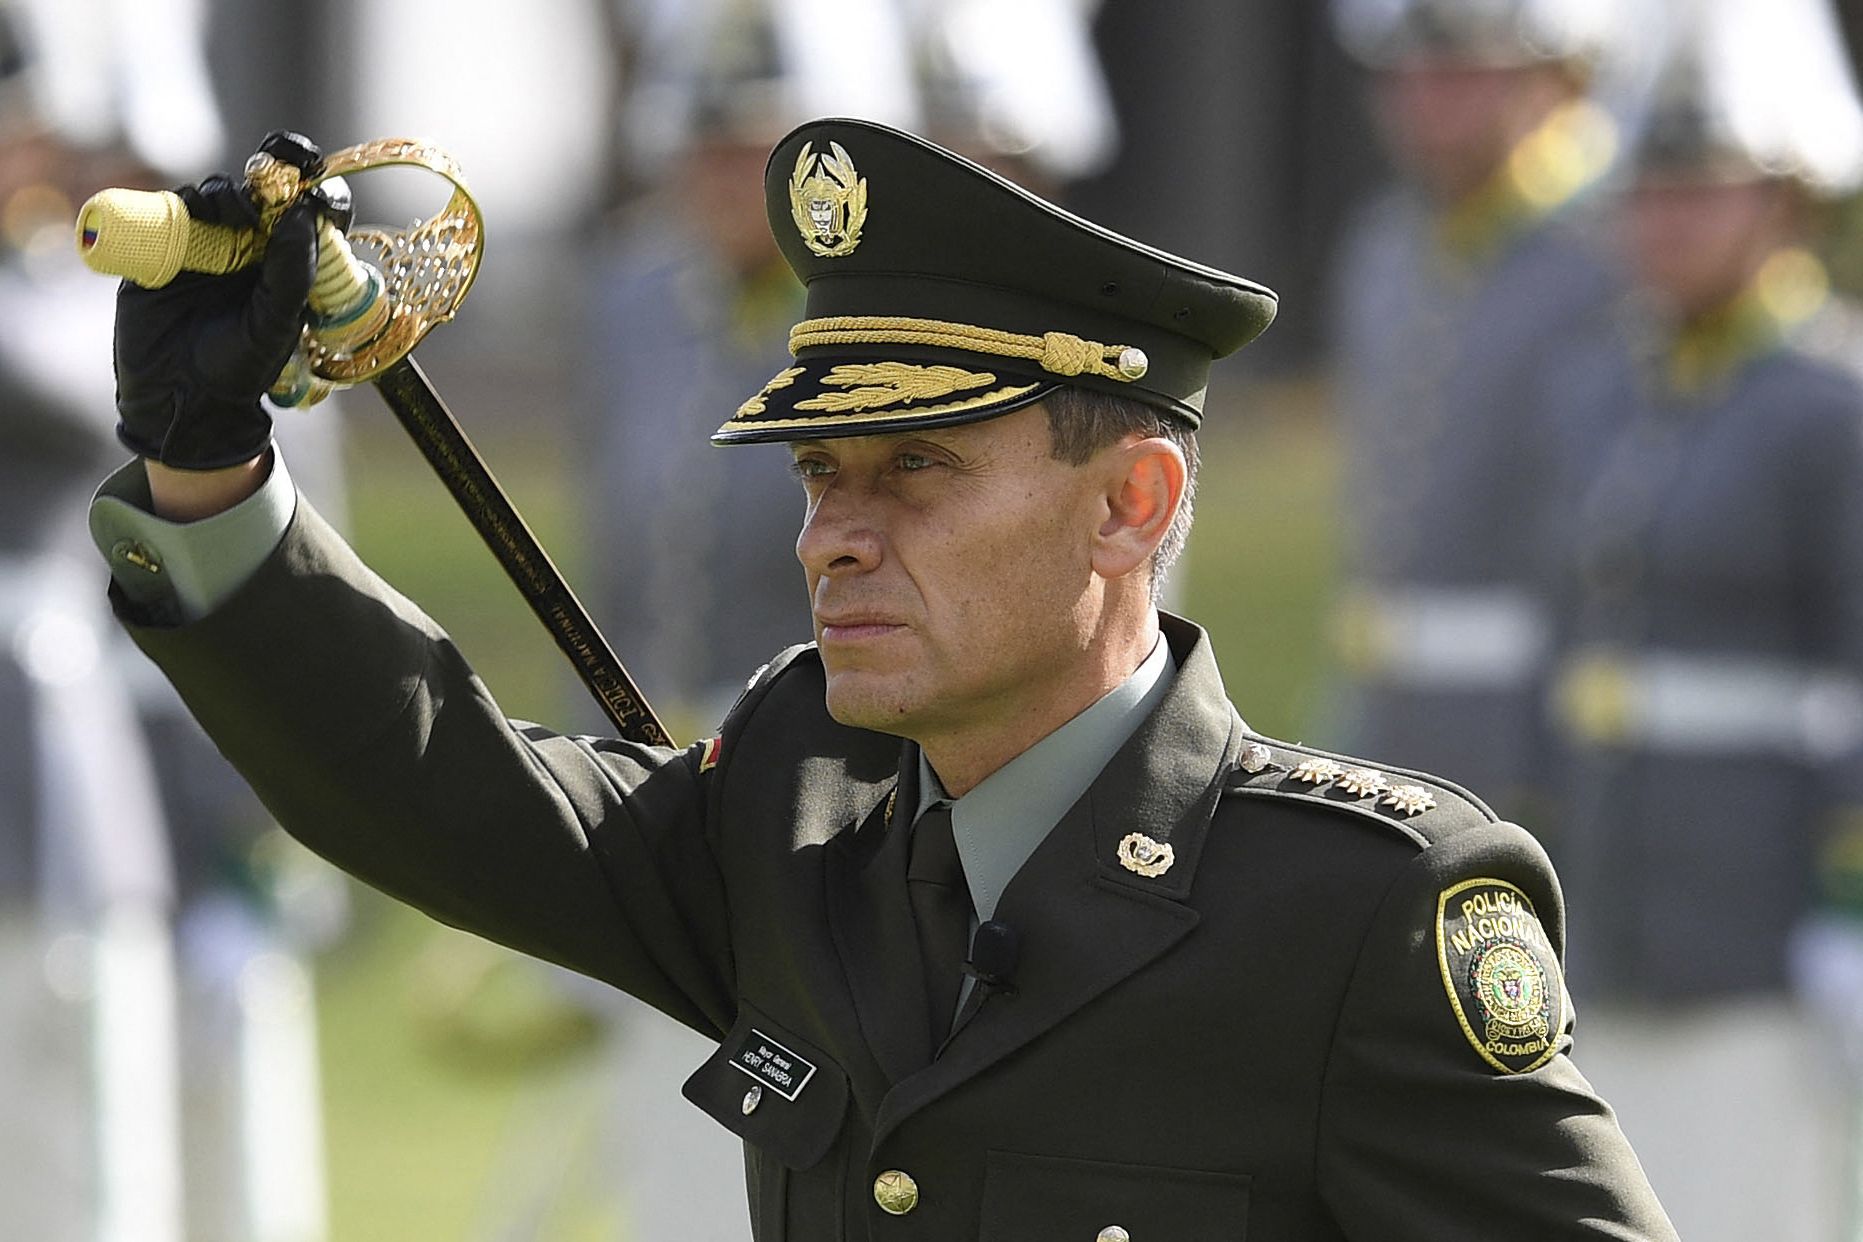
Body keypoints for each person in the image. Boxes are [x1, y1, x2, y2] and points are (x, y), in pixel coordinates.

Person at [88, 117, 1675, 1238]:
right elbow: (439, 785)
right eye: (816, 476)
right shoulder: (798, 811)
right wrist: (209, 470)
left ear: (1130, 506)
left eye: (912, 471)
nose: (834, 537)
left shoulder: (1354, 911)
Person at [1540, 0, 1863, 1237]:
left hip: (1758, 921)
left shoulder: (1829, 401)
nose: (1663, 223)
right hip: (1610, 902)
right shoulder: (1601, 391)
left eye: (1700, 193)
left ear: (1782, 200)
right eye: (1645, 196)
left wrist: (1844, 906)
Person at [1323, 0, 1629, 820]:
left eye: (1461, 76)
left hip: (1544, 726)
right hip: (1388, 711)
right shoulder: (1383, 245)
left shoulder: (1613, 252)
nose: (1425, 102)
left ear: (1552, 83)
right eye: (1405, 78)